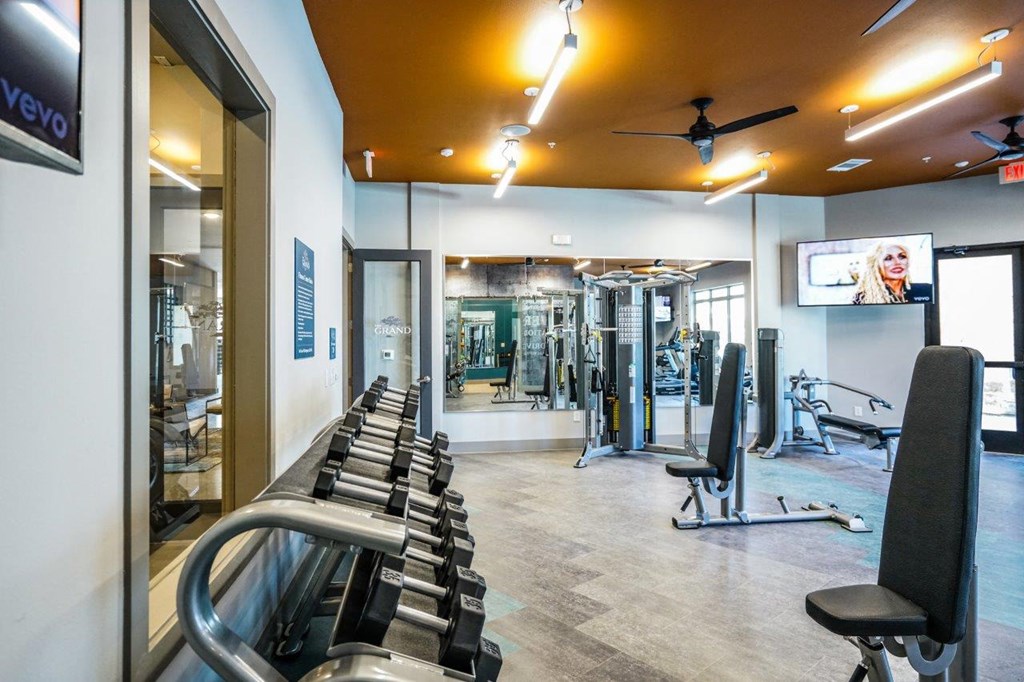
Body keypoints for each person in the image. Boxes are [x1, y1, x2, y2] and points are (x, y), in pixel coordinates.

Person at [851, 242, 932, 304]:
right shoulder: (862, 298)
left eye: (902, 256)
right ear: (875, 265)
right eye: (888, 258)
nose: (897, 262)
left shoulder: (927, 290)